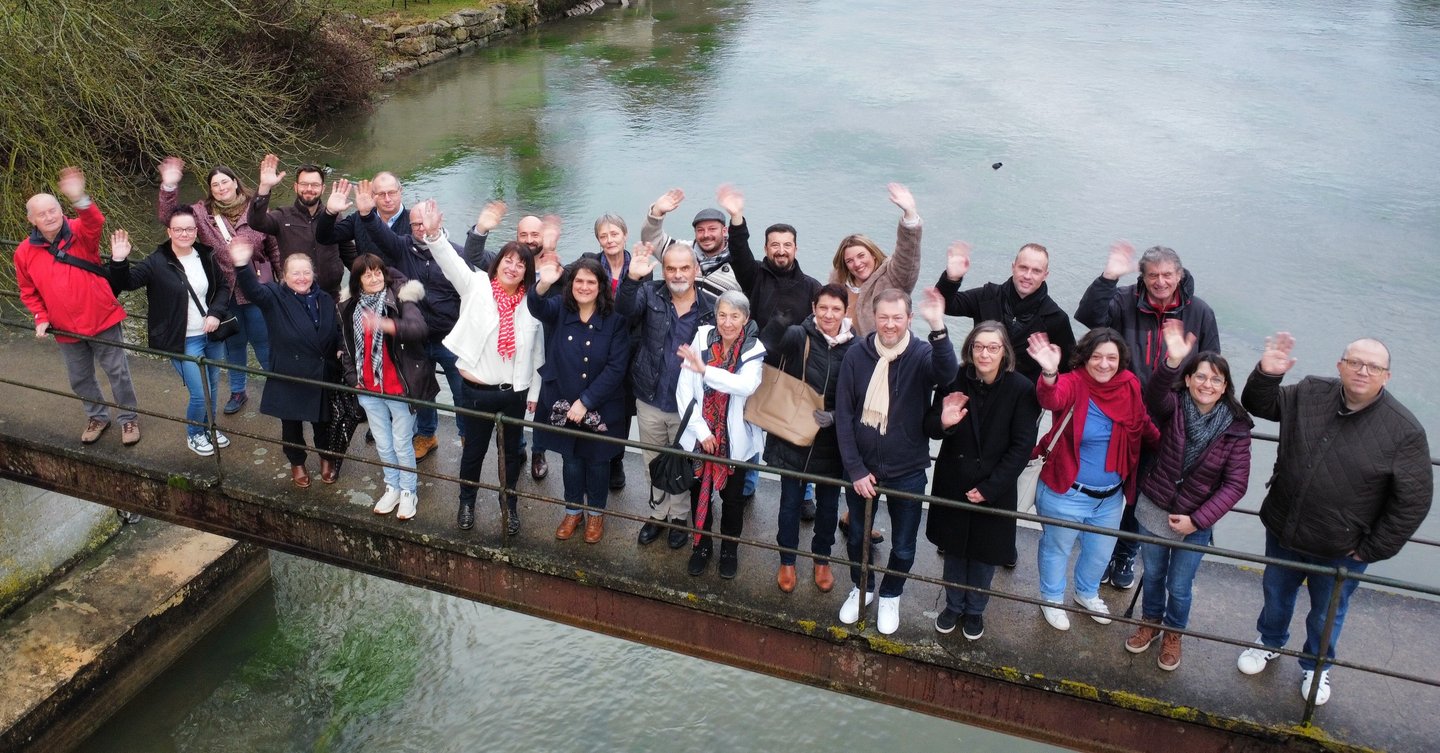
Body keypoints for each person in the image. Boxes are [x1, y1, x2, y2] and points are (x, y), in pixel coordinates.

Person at [1234, 333, 1431, 705]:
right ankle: (1269, 642)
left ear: (1386, 376)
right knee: (1276, 593)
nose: (1362, 371)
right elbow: (1259, 404)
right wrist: (1267, 374)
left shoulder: (1404, 431)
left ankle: (1316, 666)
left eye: (1373, 366)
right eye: (1355, 362)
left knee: (1327, 612)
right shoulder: (1310, 392)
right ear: (1340, 365)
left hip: (1342, 547)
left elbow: (1413, 502)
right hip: (1284, 527)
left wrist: (1372, 549)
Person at [1073, 241, 1221, 590]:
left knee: (1147, 492)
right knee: (1114, 483)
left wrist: (1205, 418)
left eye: (1167, 275)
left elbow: (1212, 366)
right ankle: (1101, 551)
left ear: (1180, 275)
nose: (1160, 282)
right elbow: (1089, 317)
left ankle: (1126, 552)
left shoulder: (1200, 312)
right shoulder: (1124, 301)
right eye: (1153, 275)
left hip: (1172, 419)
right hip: (1123, 411)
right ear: (1142, 276)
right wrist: (1109, 277)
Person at [1125, 320, 1252, 670]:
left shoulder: (1237, 428)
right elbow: (1153, 395)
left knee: (1180, 585)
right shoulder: (1174, 406)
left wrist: (1197, 520)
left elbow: (1235, 484)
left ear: (1225, 387)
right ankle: (1150, 621)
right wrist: (1171, 361)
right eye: (1201, 376)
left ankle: (1173, 633)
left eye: (1216, 379)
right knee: (1152, 574)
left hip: (1196, 519)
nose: (1207, 384)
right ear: (1189, 379)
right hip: (1155, 506)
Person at [415, 199, 543, 536]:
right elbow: (449, 261)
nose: (513, 268)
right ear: (497, 264)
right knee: (474, 451)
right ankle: (466, 502)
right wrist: (434, 234)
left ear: (527, 272)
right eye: (508, 261)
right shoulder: (476, 286)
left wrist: (535, 392)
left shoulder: (531, 302)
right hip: (476, 391)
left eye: (520, 264)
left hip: (514, 393)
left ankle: (509, 505)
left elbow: (537, 352)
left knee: (511, 454)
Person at [834, 288, 957, 635]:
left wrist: (938, 327)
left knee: (904, 543)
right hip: (862, 469)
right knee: (857, 538)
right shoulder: (857, 355)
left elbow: (947, 373)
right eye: (884, 317)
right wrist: (855, 469)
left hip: (908, 468)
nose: (890, 324)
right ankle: (862, 587)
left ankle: (891, 594)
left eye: (897, 318)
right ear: (874, 317)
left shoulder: (921, 354)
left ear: (909, 319)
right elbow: (844, 415)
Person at [318, 178, 465, 464]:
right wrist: (363, 214)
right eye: (416, 225)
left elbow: (475, 283)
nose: (420, 228)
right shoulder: (403, 245)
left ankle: (466, 435)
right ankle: (426, 434)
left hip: (449, 335)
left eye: (425, 223)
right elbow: (379, 235)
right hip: (410, 330)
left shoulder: (454, 252)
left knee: (460, 391)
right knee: (420, 389)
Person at [1025, 328, 1159, 632]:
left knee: (1100, 553)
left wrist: (1171, 450)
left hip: (1110, 496)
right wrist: (1049, 373)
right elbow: (1050, 398)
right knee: (1057, 549)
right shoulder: (1073, 383)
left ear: (1121, 360)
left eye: (1111, 357)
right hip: (1066, 492)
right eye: (1097, 356)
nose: (1104, 364)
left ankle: (1086, 593)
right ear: (1085, 357)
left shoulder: (1129, 385)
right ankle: (1051, 598)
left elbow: (1142, 422)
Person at [925, 322, 1040, 640]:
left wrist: (991, 488)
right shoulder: (954, 378)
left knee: (984, 554)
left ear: (1005, 352)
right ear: (970, 349)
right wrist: (944, 422)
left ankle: (975, 610)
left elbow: (1022, 446)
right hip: (955, 479)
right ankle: (952, 605)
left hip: (995, 486)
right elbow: (930, 425)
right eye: (978, 346)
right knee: (954, 550)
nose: (985, 353)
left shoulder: (1021, 388)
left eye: (993, 347)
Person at [16, 167, 141, 447]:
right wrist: (40, 316)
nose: (49, 217)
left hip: (101, 317)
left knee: (117, 372)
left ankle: (129, 418)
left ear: (61, 210)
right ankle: (97, 417)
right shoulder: (24, 251)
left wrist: (78, 196)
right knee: (79, 377)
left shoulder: (78, 233)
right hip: (64, 326)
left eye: (53, 210)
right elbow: (28, 290)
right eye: (42, 213)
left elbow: (95, 221)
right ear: (31, 219)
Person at [157, 157, 280, 418]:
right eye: (215, 185)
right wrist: (169, 186)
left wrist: (284, 287)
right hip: (225, 292)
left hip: (259, 291)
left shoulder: (257, 210)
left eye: (225, 182)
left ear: (235, 183)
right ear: (210, 190)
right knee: (234, 344)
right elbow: (169, 218)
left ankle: (279, 387)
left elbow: (273, 248)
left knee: (264, 343)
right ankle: (238, 391)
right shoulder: (201, 214)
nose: (221, 187)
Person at [107, 212, 232, 455]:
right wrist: (119, 261)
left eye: (189, 229)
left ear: (196, 231)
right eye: (178, 229)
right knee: (199, 393)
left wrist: (216, 313)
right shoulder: (156, 261)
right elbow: (127, 283)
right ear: (169, 232)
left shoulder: (205, 254)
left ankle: (209, 426)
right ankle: (194, 433)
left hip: (211, 334)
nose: (185, 234)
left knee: (213, 386)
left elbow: (223, 287)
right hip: (183, 339)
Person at [618, 241, 716, 548]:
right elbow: (624, 310)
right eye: (671, 268)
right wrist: (631, 278)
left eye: (684, 268)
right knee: (653, 459)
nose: (677, 274)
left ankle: (679, 518)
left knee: (682, 464)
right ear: (663, 270)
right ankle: (658, 513)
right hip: (651, 396)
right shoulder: (649, 293)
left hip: (689, 407)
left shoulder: (711, 307)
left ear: (696, 269)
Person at [528, 256, 632, 544]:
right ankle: (573, 511)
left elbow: (616, 367)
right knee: (571, 459)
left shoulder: (615, 321)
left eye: (591, 282)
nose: (584, 287)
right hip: (562, 402)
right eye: (579, 281)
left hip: (601, 406)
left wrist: (586, 401)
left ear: (601, 286)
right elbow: (535, 306)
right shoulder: (559, 310)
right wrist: (543, 283)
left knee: (598, 462)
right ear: (571, 284)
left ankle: (596, 514)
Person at [765, 284, 855, 593]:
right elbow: (769, 347)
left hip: (832, 442)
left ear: (845, 311)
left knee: (828, 505)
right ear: (813, 307)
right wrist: (777, 323)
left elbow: (860, 395)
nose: (829, 314)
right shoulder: (799, 335)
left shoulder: (856, 347)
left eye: (836, 309)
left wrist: (836, 416)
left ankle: (822, 558)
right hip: (794, 434)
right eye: (823, 307)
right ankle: (787, 559)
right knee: (790, 502)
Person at [229, 242, 341, 488]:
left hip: (320, 372)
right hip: (290, 372)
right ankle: (297, 462)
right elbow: (253, 291)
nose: (302, 278)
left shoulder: (324, 298)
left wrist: (340, 347)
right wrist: (242, 265)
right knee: (291, 425)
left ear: (313, 274)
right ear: (284, 276)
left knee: (323, 422)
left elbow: (335, 329)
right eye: (295, 273)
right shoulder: (274, 297)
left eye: (306, 272)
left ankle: (326, 458)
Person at [338, 255, 437, 520]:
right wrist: (353, 378)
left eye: (378, 272)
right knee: (383, 443)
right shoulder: (351, 305)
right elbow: (346, 344)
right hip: (368, 387)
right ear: (358, 280)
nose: (374, 278)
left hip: (399, 387)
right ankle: (392, 486)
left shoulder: (401, 298)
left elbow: (419, 329)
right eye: (367, 274)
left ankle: (409, 491)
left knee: (402, 442)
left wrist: (387, 324)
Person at [676, 290, 765, 578]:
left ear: (745, 318)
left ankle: (729, 549)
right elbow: (684, 389)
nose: (727, 323)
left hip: (735, 442)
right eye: (722, 315)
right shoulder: (702, 337)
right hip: (700, 438)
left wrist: (705, 371)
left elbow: (745, 385)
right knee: (697, 492)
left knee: (732, 499)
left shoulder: (753, 349)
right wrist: (701, 431)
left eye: (734, 316)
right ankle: (702, 546)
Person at [464, 201, 550, 482]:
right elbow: (473, 254)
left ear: (544, 237)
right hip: (509, 357)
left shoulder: (556, 267)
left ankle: (538, 452)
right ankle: (520, 448)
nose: (529, 240)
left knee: (540, 404)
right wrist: (482, 228)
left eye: (535, 234)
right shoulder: (507, 263)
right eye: (524, 234)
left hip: (544, 349)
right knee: (508, 429)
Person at [935, 241, 1076, 382]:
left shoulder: (1056, 319)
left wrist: (1050, 375)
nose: (1028, 276)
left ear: (1045, 275)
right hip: (976, 386)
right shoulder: (987, 296)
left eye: (1036, 271)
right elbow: (944, 305)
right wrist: (952, 278)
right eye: (1023, 267)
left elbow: (1069, 370)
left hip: (1023, 393)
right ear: (1013, 267)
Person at [581, 213, 642, 490]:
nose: (609, 240)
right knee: (594, 399)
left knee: (623, 408)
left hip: (629, 348)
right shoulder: (590, 265)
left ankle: (616, 459)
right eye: (603, 236)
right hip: (596, 344)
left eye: (614, 234)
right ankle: (593, 456)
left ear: (625, 235)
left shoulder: (641, 267)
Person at [248, 154, 356, 303]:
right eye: (304, 184)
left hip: (331, 296)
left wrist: (368, 275)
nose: (309, 189)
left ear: (323, 188)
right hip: (293, 297)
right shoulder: (282, 216)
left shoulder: (334, 217)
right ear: (296, 187)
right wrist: (264, 188)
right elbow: (256, 222)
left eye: (315, 185)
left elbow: (349, 254)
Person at [713, 184, 819, 331]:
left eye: (787, 245)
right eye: (775, 245)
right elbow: (739, 250)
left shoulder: (812, 287)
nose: (781, 251)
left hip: (796, 346)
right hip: (756, 346)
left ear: (795, 249)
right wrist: (736, 216)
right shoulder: (754, 275)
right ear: (765, 249)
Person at [827, 183, 923, 337]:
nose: (857, 264)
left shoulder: (892, 278)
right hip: (843, 351)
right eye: (849, 261)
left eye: (861, 256)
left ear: (873, 254)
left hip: (886, 350)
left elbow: (907, 255)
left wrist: (910, 215)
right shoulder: (838, 285)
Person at [640, 187, 740, 298]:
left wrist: (737, 215)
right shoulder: (681, 250)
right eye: (700, 230)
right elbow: (651, 241)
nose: (706, 235)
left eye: (712, 229)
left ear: (724, 231)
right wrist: (657, 212)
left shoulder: (739, 263)